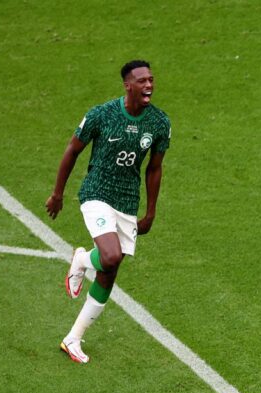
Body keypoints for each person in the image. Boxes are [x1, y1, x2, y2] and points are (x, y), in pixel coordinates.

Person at [45, 60, 172, 363]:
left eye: (151, 80)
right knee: (110, 256)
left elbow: (154, 169)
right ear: (128, 85)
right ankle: (80, 259)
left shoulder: (159, 123)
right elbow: (72, 150)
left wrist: (151, 212)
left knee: (110, 270)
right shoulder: (102, 115)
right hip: (97, 194)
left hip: (127, 202)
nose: (149, 86)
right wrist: (57, 193)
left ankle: (73, 338)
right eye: (142, 81)